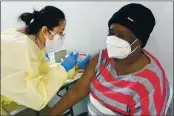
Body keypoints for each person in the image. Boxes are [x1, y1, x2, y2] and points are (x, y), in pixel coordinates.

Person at [50, 3, 171, 116]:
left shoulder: (151, 84)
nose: (113, 40)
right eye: (111, 32)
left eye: (121, 36)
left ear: (139, 42)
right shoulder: (103, 57)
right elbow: (77, 91)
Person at [1, 6, 90, 111]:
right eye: (60, 33)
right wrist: (63, 68)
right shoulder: (22, 49)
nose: (61, 37)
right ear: (45, 30)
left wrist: (74, 67)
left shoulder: (28, 41)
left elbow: (43, 70)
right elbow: (37, 98)